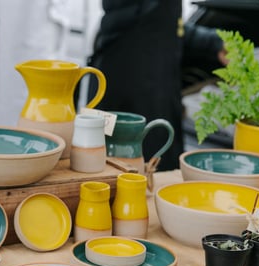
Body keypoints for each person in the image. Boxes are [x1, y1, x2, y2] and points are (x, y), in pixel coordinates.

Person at [87, 0, 228, 171]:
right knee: (111, 167)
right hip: (123, 88)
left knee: (156, 166)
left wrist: (214, 43)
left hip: (158, 93)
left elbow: (169, 26)